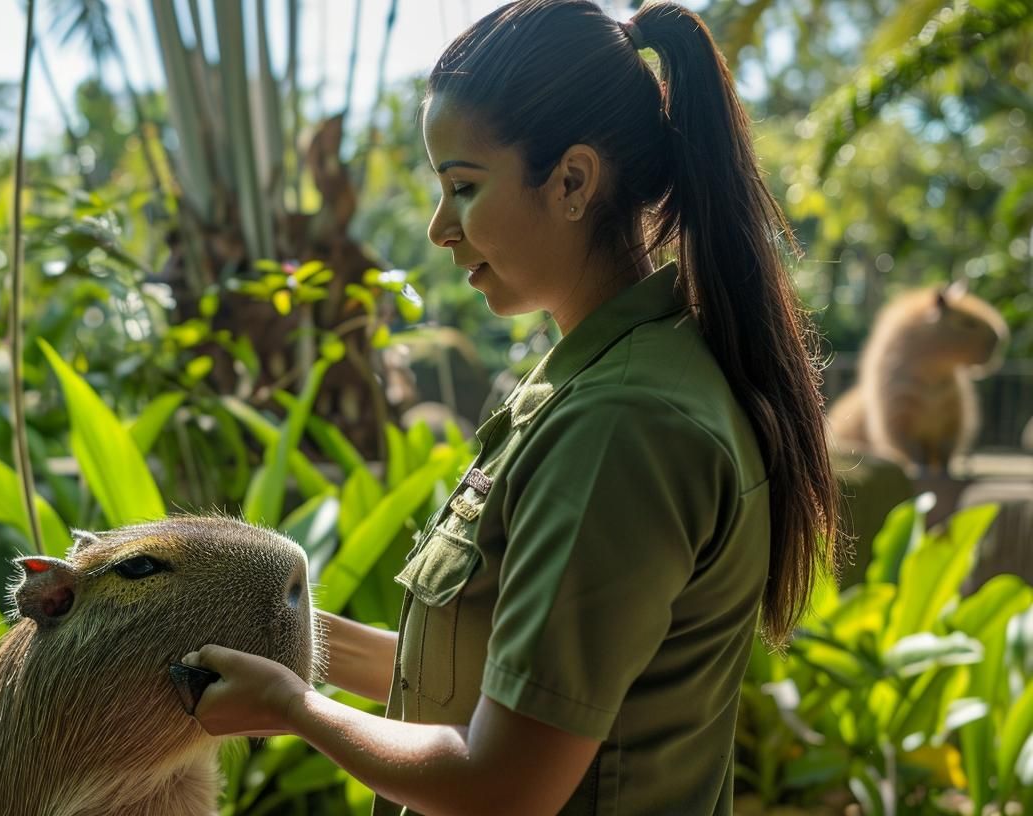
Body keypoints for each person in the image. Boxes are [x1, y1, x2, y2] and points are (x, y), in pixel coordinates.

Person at [180, 1, 840, 813]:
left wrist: (292, 709)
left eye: (463, 186)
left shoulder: (622, 424)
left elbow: (506, 783)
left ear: (571, 181)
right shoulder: (601, 382)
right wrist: (281, 641)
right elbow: (489, 691)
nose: (437, 229)